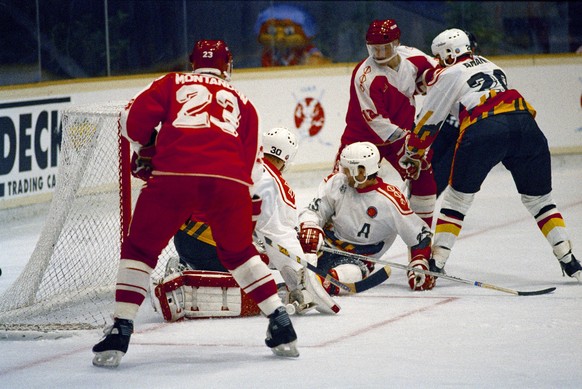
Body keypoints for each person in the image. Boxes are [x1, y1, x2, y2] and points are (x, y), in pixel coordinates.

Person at [92, 40, 300, 368]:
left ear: (193, 64)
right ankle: (280, 320)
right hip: (229, 183)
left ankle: (120, 327)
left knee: (140, 250)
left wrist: (146, 147)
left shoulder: (172, 82)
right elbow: (251, 172)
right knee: (240, 253)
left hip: (174, 174)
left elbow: (130, 120)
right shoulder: (245, 103)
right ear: (227, 66)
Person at [401, 29, 582, 281]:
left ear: (450, 54)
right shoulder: (492, 65)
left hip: (484, 128)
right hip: (526, 126)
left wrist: (413, 152)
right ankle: (569, 259)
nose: (439, 62)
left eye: (440, 57)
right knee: (540, 201)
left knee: (456, 201)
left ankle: (437, 262)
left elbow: (430, 120)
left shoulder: (448, 73)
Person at [157, 127, 339, 318]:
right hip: (211, 248)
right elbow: (278, 236)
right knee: (261, 273)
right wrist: (301, 283)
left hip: (182, 237)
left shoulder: (237, 157)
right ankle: (196, 289)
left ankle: (187, 267)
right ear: (286, 158)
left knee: (255, 247)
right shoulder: (275, 184)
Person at [334, 19, 438, 228]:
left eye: (385, 48)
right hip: (361, 139)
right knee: (340, 186)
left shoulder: (414, 57)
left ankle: (421, 239)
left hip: (399, 137)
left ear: (397, 42)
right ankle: (329, 235)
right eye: (374, 49)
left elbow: (439, 75)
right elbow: (376, 121)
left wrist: (431, 81)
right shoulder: (365, 76)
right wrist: (411, 140)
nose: (379, 54)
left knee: (424, 179)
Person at [298, 142, 435, 294]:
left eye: (347, 169)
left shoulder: (390, 200)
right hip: (324, 245)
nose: (343, 172)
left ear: (361, 171)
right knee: (289, 243)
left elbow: (420, 235)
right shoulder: (337, 182)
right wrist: (310, 225)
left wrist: (419, 264)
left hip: (357, 260)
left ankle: (322, 282)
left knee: (353, 272)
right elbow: (314, 211)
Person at [254, 4, 331, 67]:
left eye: (289, 32)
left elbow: (318, 63)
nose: (280, 38)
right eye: (271, 31)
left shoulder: (307, 50)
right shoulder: (269, 52)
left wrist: (314, 61)